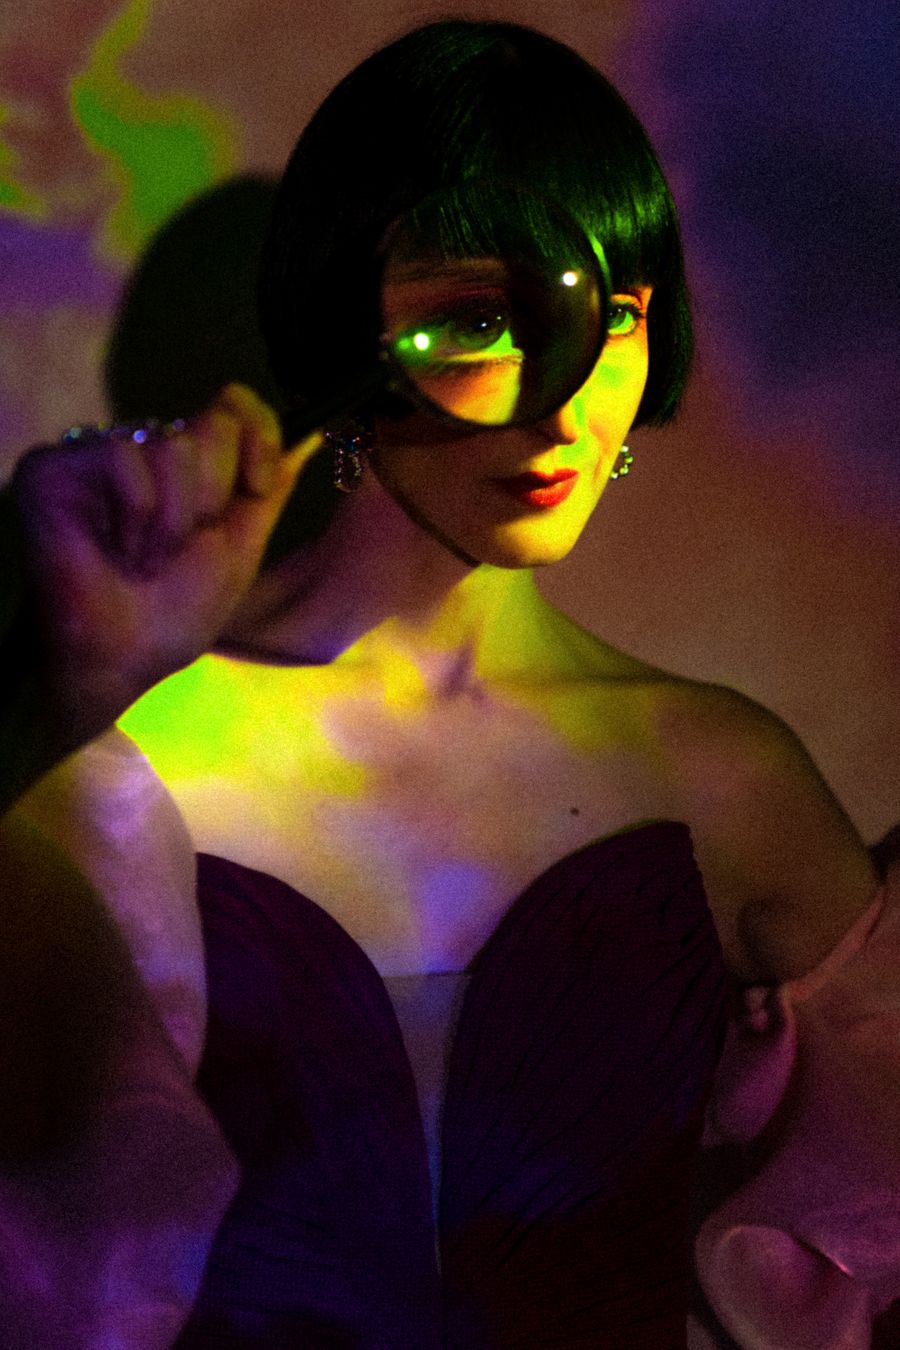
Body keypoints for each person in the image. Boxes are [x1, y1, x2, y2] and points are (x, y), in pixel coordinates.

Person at [5, 18, 880, 1348]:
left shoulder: (722, 772)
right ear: (351, 336)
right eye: (476, 317)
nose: (561, 400)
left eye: (613, 316)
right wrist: (52, 684)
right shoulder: (125, 757)